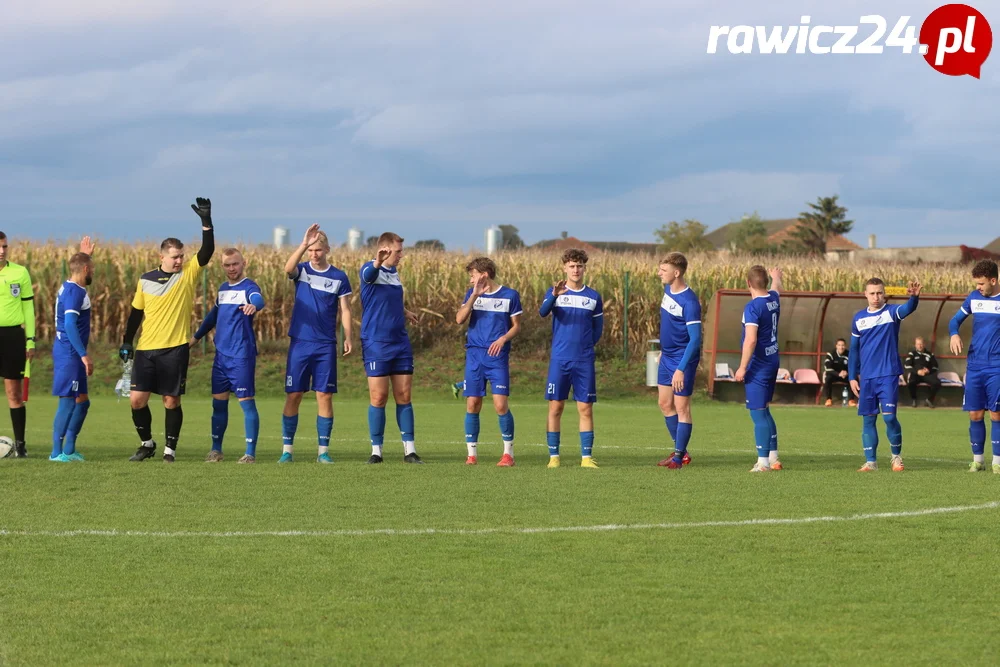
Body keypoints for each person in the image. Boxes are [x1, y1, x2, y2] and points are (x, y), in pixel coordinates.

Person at [120, 198, 215, 462]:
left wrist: (206, 222)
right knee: (137, 400)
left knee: (171, 402)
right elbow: (136, 313)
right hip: (146, 350)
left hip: (174, 349)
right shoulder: (145, 279)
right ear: (162, 257)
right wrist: (127, 341)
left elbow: (207, 252)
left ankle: (169, 451)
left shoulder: (187, 273)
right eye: (175, 257)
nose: (179, 260)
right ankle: (147, 443)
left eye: (182, 256)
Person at [279, 226, 352, 464]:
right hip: (300, 342)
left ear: (327, 250)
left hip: (325, 345)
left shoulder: (339, 277)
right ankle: (287, 450)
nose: (314, 254)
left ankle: (323, 452)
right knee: (294, 394)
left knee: (324, 395)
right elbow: (287, 269)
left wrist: (348, 336)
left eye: (318, 249)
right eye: (311, 249)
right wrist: (302, 244)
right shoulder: (301, 271)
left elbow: (345, 309)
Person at [191, 248, 265, 464]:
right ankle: (216, 450)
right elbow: (212, 317)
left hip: (241, 356)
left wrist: (254, 306)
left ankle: (250, 453)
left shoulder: (249, 287)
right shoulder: (223, 290)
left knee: (246, 403)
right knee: (218, 405)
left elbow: (258, 299)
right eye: (227, 265)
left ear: (244, 263)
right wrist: (195, 339)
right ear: (222, 266)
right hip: (221, 357)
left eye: (235, 264)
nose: (231, 268)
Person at [360, 232, 422, 464]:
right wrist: (377, 261)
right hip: (376, 343)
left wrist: (405, 312)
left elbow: (386, 301)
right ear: (385, 250)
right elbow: (369, 275)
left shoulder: (395, 275)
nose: (401, 255)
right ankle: (376, 451)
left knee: (404, 395)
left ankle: (410, 451)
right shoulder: (370, 269)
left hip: (400, 342)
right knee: (379, 397)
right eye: (397, 251)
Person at [539, 248, 604, 468]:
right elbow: (542, 312)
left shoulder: (593, 296)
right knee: (555, 407)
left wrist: (585, 347)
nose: (576, 270)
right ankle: (554, 457)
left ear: (584, 268)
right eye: (572, 266)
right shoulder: (556, 291)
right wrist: (554, 295)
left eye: (579, 266)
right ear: (564, 268)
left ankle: (586, 458)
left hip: (583, 361)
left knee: (585, 408)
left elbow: (597, 329)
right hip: (560, 360)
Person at [848, 278, 920, 472]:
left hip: (888, 374)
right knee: (868, 419)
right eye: (872, 293)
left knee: (889, 418)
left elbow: (908, 309)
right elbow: (854, 350)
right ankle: (871, 462)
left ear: (884, 293)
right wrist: (852, 376)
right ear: (865, 294)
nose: (876, 297)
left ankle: (896, 457)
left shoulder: (891, 312)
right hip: (867, 377)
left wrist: (914, 298)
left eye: (879, 293)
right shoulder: (858, 318)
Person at [455, 257, 522, 466]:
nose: (470, 279)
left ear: (484, 275)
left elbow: (516, 326)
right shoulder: (471, 294)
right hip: (475, 356)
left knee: (500, 405)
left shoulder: (510, 295)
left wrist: (503, 339)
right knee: (473, 404)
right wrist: (474, 295)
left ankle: (508, 454)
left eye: (473, 275)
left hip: (497, 357)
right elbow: (459, 319)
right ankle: (472, 455)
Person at [949, 259, 1000, 473]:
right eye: (976, 284)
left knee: (997, 414)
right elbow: (954, 321)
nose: (978, 287)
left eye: (981, 283)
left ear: (993, 280)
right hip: (975, 366)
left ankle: (997, 463)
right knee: (975, 414)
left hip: (997, 366)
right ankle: (978, 461)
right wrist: (953, 334)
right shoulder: (973, 298)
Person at [50, 238, 96, 462]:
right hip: (70, 353)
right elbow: (69, 324)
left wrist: (84, 254)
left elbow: (80, 267)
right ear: (85, 269)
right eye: (92, 269)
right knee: (68, 401)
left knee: (83, 401)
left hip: (71, 353)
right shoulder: (75, 293)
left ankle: (69, 450)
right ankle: (56, 453)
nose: (93, 272)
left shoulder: (72, 286)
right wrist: (84, 355)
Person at [734, 266, 783, 472]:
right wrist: (776, 277)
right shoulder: (773, 299)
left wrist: (742, 367)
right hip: (773, 360)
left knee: (758, 413)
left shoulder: (752, 307)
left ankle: (762, 462)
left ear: (748, 284)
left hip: (759, 364)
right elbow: (777, 288)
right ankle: (774, 457)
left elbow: (751, 339)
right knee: (765, 409)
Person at [654, 252, 700, 469]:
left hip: (683, 360)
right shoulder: (667, 290)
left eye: (663, 270)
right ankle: (681, 451)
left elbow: (695, 339)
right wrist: (664, 349)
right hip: (667, 356)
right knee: (664, 404)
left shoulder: (690, 302)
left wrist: (681, 369)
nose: (659, 274)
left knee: (682, 408)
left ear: (677, 272)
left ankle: (678, 458)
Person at [0, 231, 34, 458]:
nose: (2, 251)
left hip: (12, 337)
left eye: (4, 247)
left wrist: (30, 340)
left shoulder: (20, 272)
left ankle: (20, 446)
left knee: (13, 393)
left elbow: (28, 309)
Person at [904, 337, 940, 408]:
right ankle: (914, 399)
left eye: (921, 344)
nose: (920, 346)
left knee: (937, 383)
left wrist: (928, 370)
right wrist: (917, 371)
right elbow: (907, 365)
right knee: (911, 382)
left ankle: (929, 400)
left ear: (924, 344)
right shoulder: (912, 354)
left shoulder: (930, 354)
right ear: (915, 345)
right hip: (916, 374)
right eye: (918, 344)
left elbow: (935, 366)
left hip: (927, 374)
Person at [822, 338, 855, 406]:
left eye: (843, 345)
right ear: (836, 346)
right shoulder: (830, 354)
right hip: (835, 375)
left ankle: (851, 400)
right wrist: (838, 374)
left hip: (845, 375)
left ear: (845, 346)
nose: (841, 347)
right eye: (839, 345)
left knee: (853, 379)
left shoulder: (849, 354)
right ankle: (828, 399)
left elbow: (853, 366)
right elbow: (827, 368)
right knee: (828, 378)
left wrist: (847, 373)